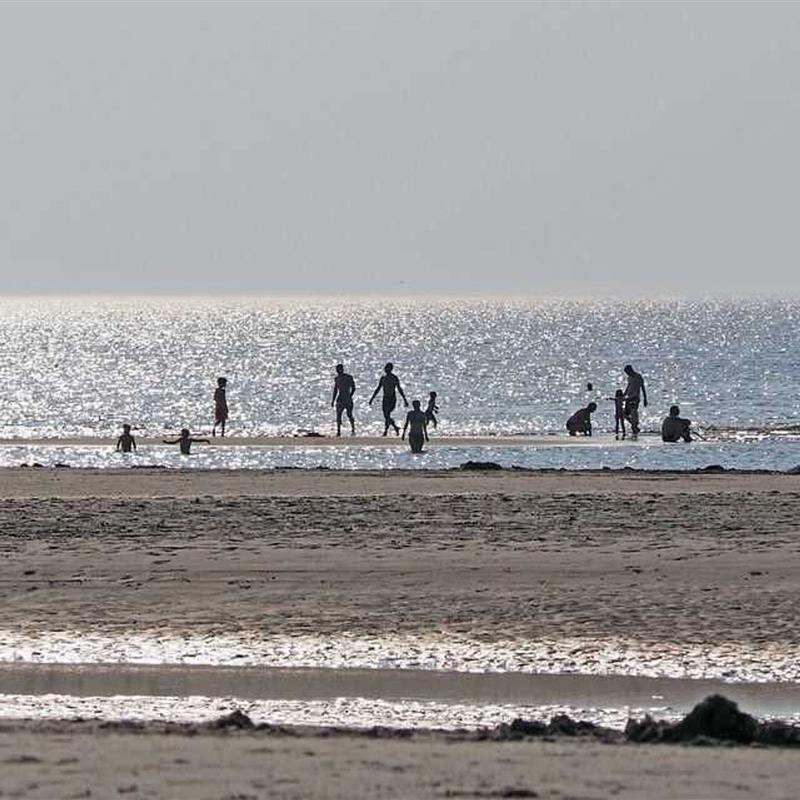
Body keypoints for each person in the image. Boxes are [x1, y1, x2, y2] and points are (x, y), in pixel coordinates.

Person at [369, 362, 408, 436]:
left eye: (388, 368)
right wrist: (372, 398)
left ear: (390, 369)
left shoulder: (394, 378)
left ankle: (387, 430)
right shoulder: (383, 378)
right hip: (385, 398)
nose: (386, 369)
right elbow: (378, 388)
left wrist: (404, 399)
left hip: (392, 399)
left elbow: (399, 389)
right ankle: (392, 428)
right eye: (386, 368)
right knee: (387, 416)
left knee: (387, 415)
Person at [331, 364, 356, 437]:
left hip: (347, 398)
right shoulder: (336, 379)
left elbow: (353, 388)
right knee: (338, 415)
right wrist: (333, 400)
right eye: (337, 370)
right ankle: (338, 431)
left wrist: (350, 395)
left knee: (349, 414)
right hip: (340, 399)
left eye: (339, 369)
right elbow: (335, 390)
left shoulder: (348, 377)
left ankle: (353, 429)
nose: (338, 371)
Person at [623, 364, 647, 438]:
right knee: (625, 413)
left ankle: (634, 427)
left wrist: (645, 398)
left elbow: (642, 387)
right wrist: (624, 395)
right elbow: (628, 386)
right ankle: (634, 425)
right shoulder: (629, 377)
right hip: (629, 397)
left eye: (627, 372)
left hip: (635, 397)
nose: (627, 374)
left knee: (633, 413)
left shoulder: (638, 376)